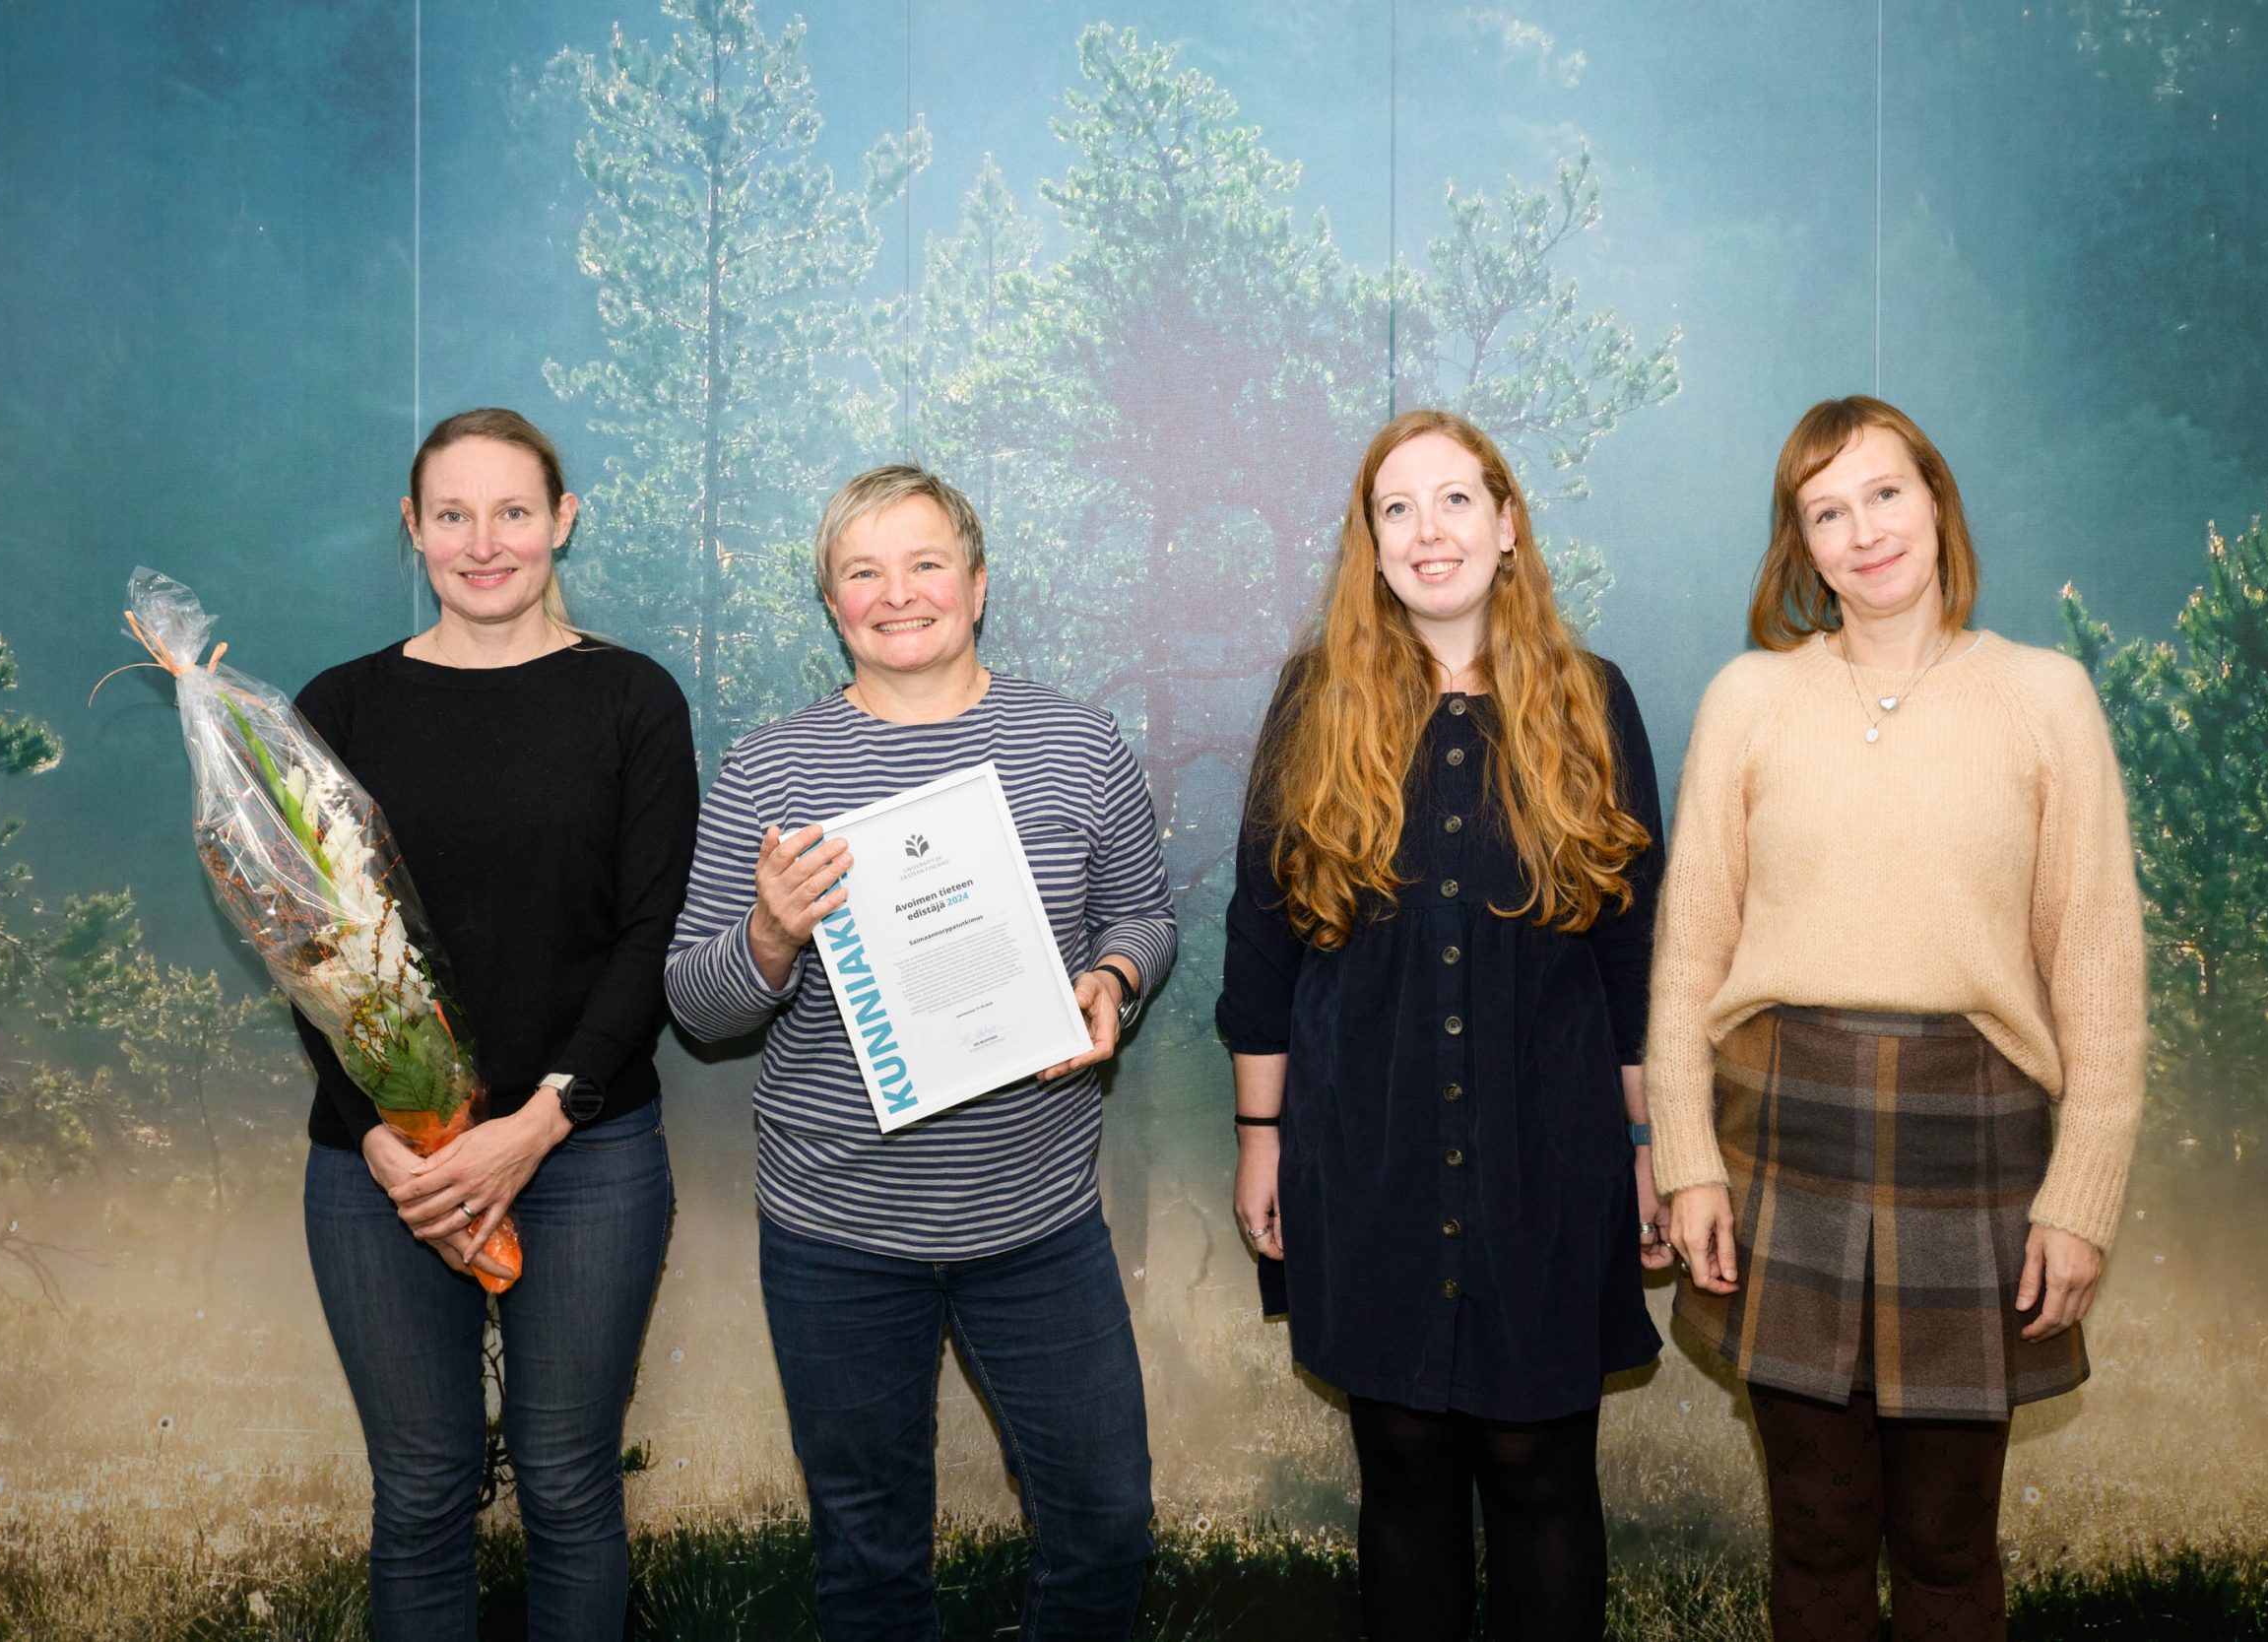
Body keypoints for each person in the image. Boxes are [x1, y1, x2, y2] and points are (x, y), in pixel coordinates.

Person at [1648, 395, 2148, 1641]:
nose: (1863, 530)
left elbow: (2096, 963)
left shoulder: (2046, 697)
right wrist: (1691, 1162)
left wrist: (2080, 1194)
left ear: (1935, 501)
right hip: (1781, 1139)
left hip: (1969, 1144)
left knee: (1944, 1541)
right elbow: (1684, 958)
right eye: (1827, 510)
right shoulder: (1748, 700)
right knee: (1814, 1532)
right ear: (1800, 548)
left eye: (1884, 493)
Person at [665, 464, 1176, 1642]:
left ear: (978, 583)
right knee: (869, 1560)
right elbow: (698, 1006)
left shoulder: (1074, 740)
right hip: (836, 1230)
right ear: (832, 603)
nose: (899, 594)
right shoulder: (770, 769)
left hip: (1037, 1221)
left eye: (926, 562)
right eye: (863, 571)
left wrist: (1112, 979)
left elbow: (1143, 914)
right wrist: (768, 933)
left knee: (1105, 1531)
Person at [1217, 409, 1669, 1641]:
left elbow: (1633, 954)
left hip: (1551, 1147)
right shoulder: (1314, 698)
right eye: (1397, 508)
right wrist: (1262, 1134)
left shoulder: (1592, 699)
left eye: (1456, 500)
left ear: (1507, 523)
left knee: (1538, 1464)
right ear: (1369, 544)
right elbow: (1260, 934)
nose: (1429, 531)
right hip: (1366, 1146)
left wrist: (1644, 1154)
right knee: (1404, 1461)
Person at [293, 407, 698, 1640]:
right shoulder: (342, 705)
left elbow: (651, 937)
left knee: (571, 1488)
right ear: (412, 528)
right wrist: (378, 1136)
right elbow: (308, 944)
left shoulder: (631, 697)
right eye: (453, 514)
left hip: (586, 1157)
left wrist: (535, 1125)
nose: (485, 542)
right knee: (419, 1493)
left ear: (561, 521)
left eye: (513, 511)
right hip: (384, 1171)